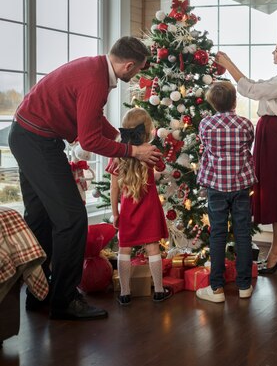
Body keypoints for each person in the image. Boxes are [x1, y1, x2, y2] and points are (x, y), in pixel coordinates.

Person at [8, 36, 161, 320]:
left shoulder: (93, 69)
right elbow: (89, 140)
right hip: (37, 141)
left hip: (27, 136)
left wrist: (117, 137)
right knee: (73, 219)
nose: (136, 75)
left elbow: (91, 118)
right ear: (128, 65)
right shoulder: (96, 82)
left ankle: (40, 294)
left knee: (40, 219)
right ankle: (64, 301)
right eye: (138, 70)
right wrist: (133, 151)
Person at [215, 37, 277, 274]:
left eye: (276, 50)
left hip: (273, 135)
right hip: (269, 132)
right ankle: (276, 246)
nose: (273, 53)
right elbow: (255, 85)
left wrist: (229, 64)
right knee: (267, 186)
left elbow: (252, 90)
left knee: (274, 189)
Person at [195, 81, 256, 302]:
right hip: (240, 184)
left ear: (212, 103)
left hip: (216, 185)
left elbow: (205, 147)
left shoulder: (205, 125)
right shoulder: (246, 124)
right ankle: (244, 286)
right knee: (242, 234)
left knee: (218, 234)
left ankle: (217, 288)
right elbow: (248, 145)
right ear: (234, 101)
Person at [108, 108, 172, 305]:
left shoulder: (118, 153)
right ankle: (159, 291)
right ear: (149, 131)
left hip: (128, 210)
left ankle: (125, 293)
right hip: (149, 209)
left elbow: (114, 187)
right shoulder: (152, 152)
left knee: (124, 249)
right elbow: (162, 168)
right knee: (152, 249)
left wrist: (115, 213)